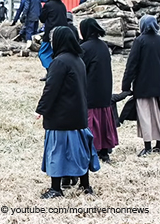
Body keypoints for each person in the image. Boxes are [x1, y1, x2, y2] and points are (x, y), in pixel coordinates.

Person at [36, 26, 100, 198]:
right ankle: (85, 185)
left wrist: (41, 109)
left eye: (52, 39)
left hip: (61, 117)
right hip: (78, 115)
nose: (51, 43)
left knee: (58, 152)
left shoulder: (59, 62)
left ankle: (56, 189)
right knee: (80, 151)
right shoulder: (78, 60)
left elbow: (51, 89)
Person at [80, 18, 118, 163]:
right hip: (105, 89)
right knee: (104, 121)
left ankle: (92, 150)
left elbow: (81, 69)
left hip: (91, 90)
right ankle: (104, 151)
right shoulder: (103, 46)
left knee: (92, 122)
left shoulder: (85, 48)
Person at [121, 15, 160, 157]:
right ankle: (159, 145)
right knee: (158, 116)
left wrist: (125, 85)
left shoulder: (140, 41)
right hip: (158, 86)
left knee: (146, 117)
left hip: (143, 86)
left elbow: (132, 65)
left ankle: (148, 147)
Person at [38, 0, 68, 80]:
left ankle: (51, 72)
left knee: (43, 53)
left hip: (51, 33)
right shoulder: (62, 5)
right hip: (63, 32)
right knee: (59, 54)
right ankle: (58, 74)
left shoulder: (48, 5)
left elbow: (42, 18)